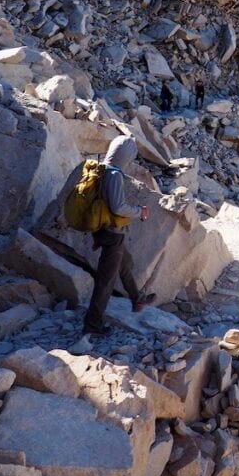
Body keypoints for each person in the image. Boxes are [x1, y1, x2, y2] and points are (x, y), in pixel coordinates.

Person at [83, 136, 155, 337]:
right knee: (106, 281)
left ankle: (137, 298)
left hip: (103, 229)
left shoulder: (100, 169)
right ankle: (92, 326)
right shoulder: (114, 175)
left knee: (125, 263)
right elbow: (117, 206)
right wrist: (140, 211)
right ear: (126, 157)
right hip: (113, 233)